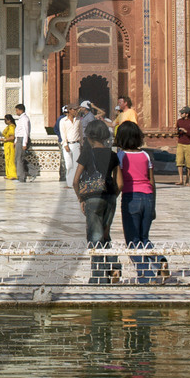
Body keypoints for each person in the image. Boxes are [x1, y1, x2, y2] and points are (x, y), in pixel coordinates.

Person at [114, 120, 163, 280]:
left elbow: (119, 181)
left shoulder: (120, 156)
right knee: (144, 237)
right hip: (148, 197)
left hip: (131, 198)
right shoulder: (145, 155)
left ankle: (146, 274)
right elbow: (152, 181)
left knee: (133, 241)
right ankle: (159, 261)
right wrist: (153, 205)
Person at [73, 117, 120, 280]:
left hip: (92, 199)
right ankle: (114, 267)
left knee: (95, 237)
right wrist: (113, 196)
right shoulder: (113, 155)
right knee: (106, 235)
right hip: (110, 198)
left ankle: (99, 275)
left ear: (90, 137)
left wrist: (81, 199)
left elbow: (75, 180)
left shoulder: (87, 154)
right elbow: (119, 182)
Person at [174, 106, 190, 186]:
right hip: (180, 143)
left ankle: (187, 180)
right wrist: (176, 131)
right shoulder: (179, 121)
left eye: (182, 113)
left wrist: (186, 131)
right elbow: (176, 131)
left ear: (187, 114)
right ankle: (181, 180)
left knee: (189, 163)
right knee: (179, 161)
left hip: (189, 144)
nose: (181, 114)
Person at [58, 105, 83, 187]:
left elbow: (81, 133)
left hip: (76, 144)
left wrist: (81, 144)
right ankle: (69, 183)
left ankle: (76, 182)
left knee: (76, 165)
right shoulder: (63, 121)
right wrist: (65, 144)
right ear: (69, 110)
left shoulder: (78, 120)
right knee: (69, 165)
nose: (76, 111)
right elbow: (62, 133)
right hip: (68, 144)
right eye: (74, 110)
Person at [12, 103, 32, 182]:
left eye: (17, 110)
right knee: (17, 159)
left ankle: (21, 177)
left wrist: (24, 143)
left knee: (20, 159)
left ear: (21, 110)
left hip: (22, 139)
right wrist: (16, 140)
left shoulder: (25, 119)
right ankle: (20, 176)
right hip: (19, 139)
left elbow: (25, 131)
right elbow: (18, 131)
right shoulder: (21, 118)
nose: (16, 112)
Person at [1, 114, 17, 180]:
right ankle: (8, 174)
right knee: (7, 160)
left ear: (9, 120)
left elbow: (12, 137)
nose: (4, 121)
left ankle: (13, 175)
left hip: (10, 145)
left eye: (5, 120)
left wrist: (4, 139)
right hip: (7, 145)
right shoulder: (8, 127)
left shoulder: (12, 127)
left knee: (11, 160)